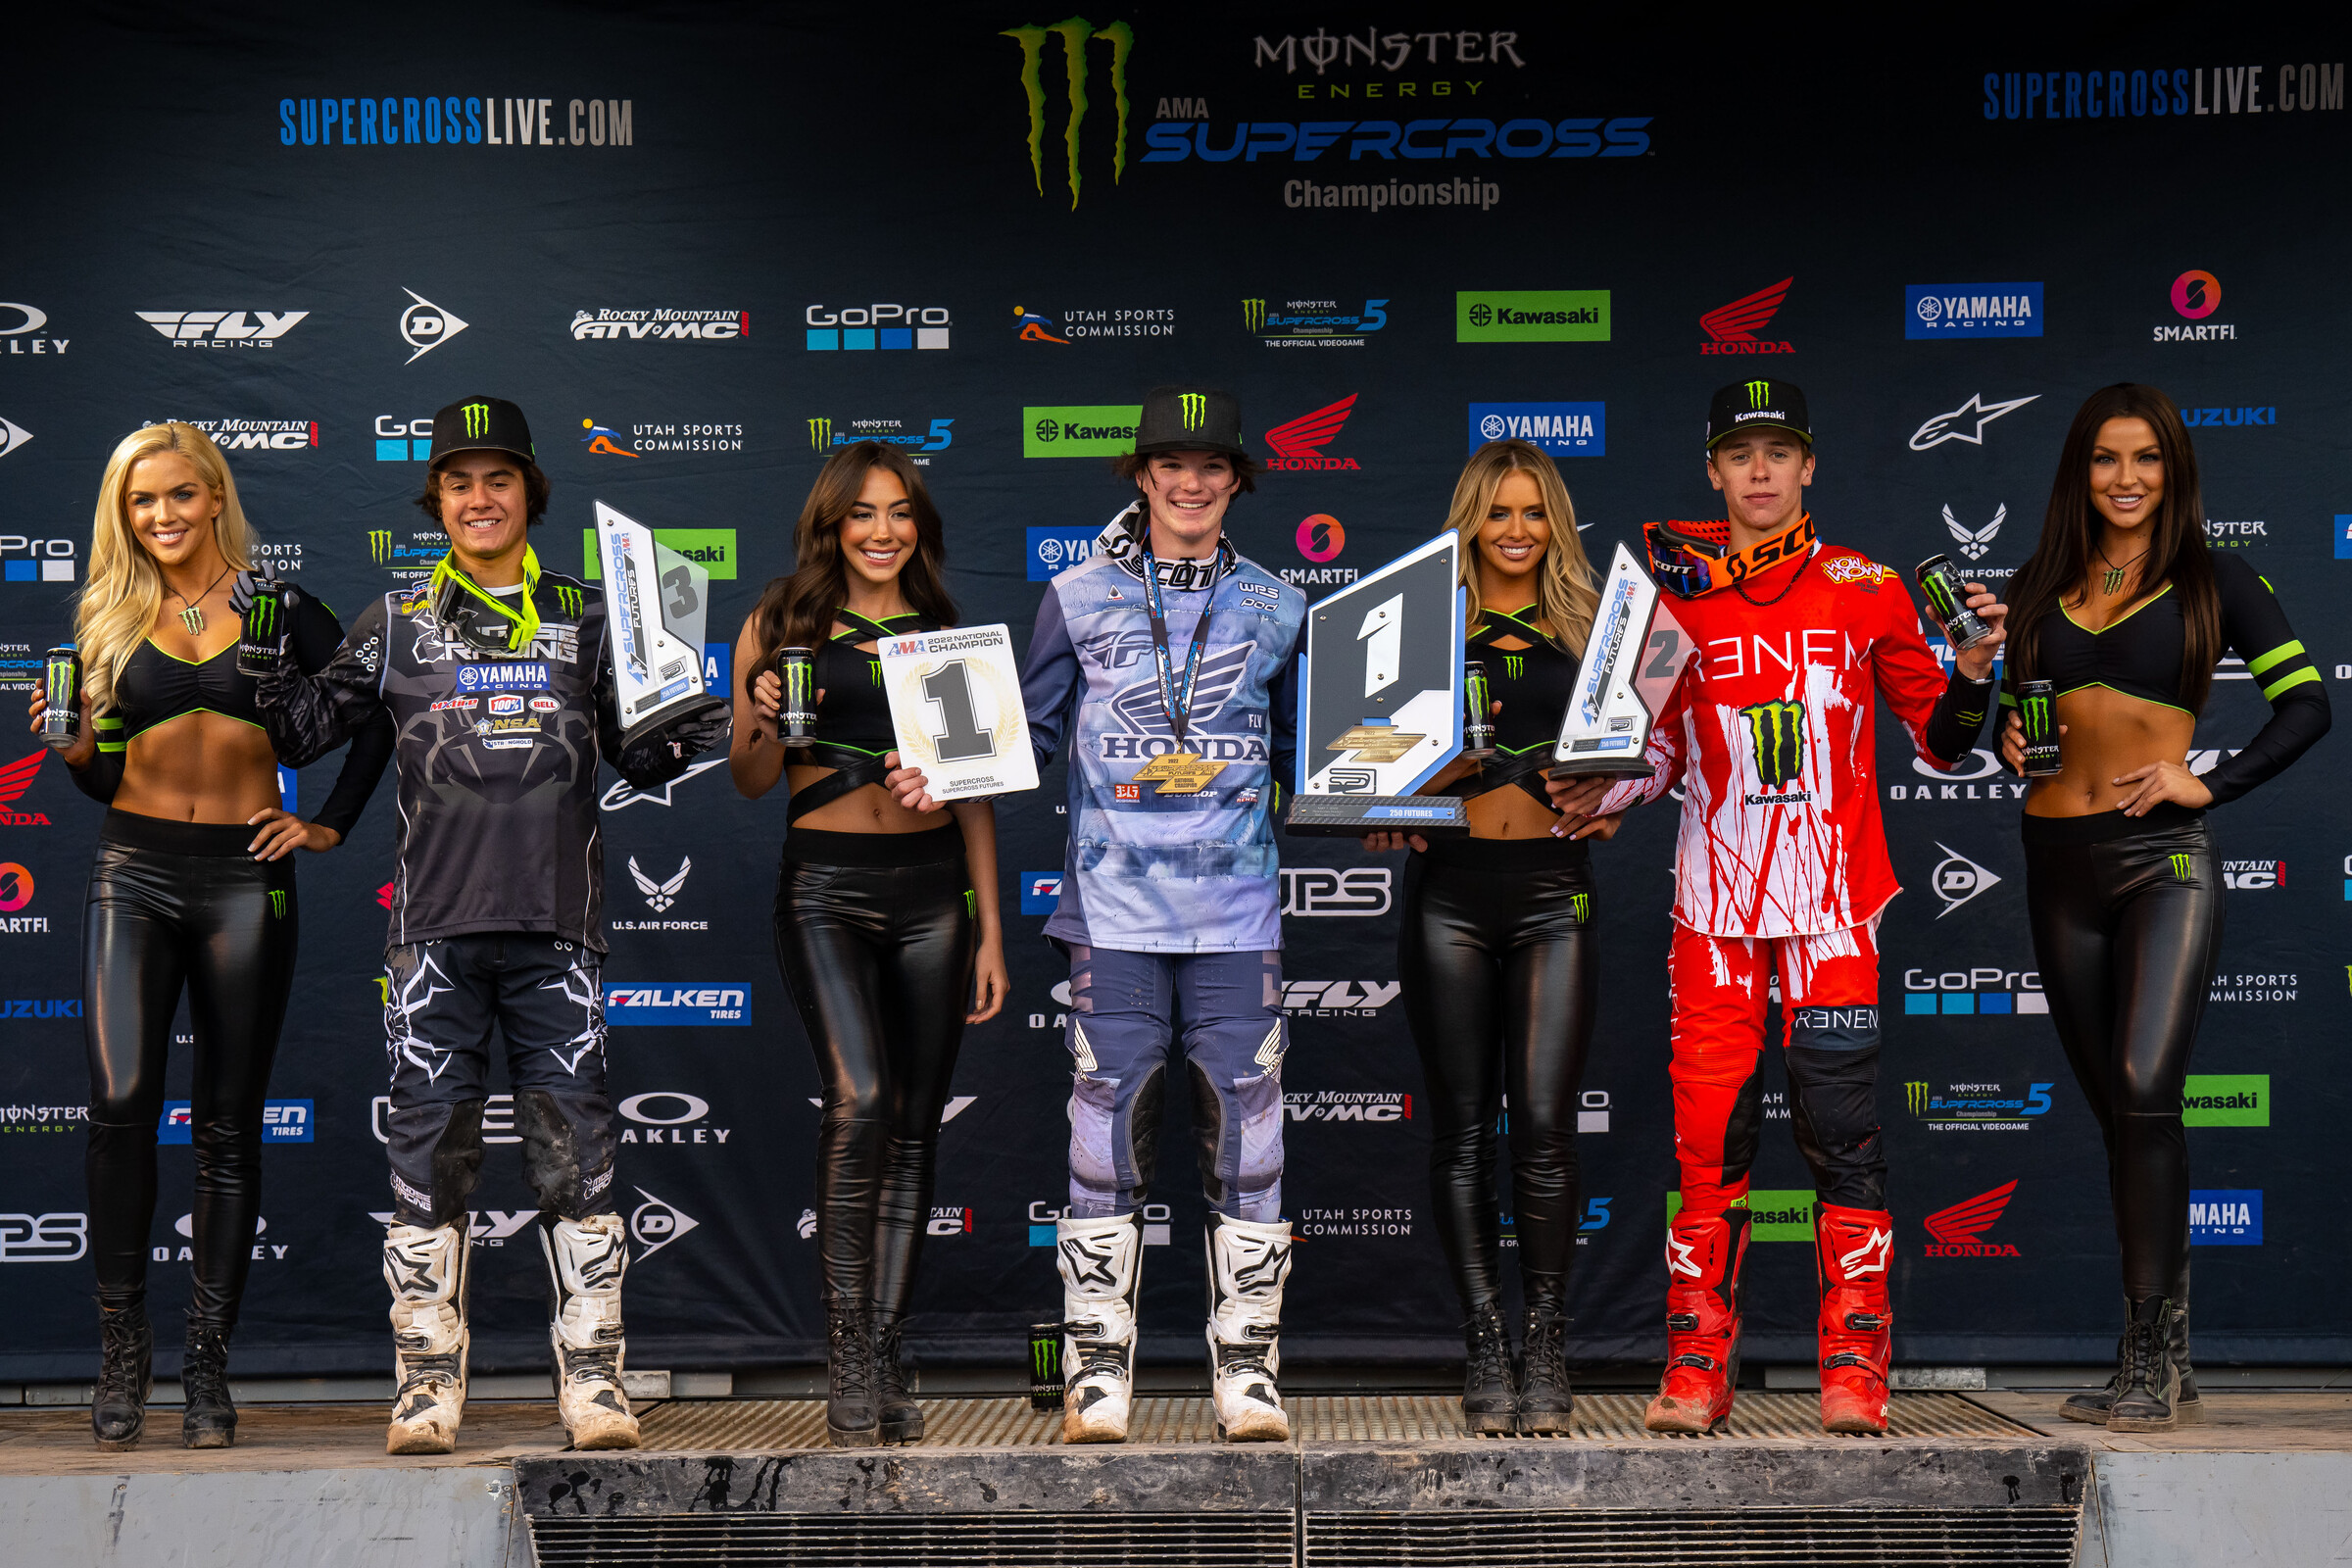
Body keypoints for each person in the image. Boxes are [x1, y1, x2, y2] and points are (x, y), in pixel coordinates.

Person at [253, 396, 723, 1456]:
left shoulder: (597, 612)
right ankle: (427, 1386)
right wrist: (266, 663)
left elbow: (641, 759)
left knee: (580, 1160)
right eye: (459, 481)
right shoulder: (393, 619)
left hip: (559, 931)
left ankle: (593, 1381)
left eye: (498, 478)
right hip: (434, 940)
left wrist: (687, 722)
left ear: (530, 492)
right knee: (430, 1162)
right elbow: (308, 729)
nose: (479, 496)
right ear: (437, 500)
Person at [1562, 378, 2006, 1436]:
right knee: (1705, 1144)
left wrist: (1976, 671)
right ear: (1712, 471)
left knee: (1844, 1136)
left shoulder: (1869, 585)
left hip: (1836, 910)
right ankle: (1695, 1369)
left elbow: (1943, 741)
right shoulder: (1671, 596)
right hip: (1713, 911)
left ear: (1810, 467)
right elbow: (1654, 750)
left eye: (1780, 452)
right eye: (1740, 454)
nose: (1760, 471)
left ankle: (1855, 1371)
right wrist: (1597, 789)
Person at [892, 385, 1307, 1445]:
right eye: (1171, 463)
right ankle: (1096, 1373)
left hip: (1236, 916)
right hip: (1112, 914)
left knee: (1249, 1140)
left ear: (1238, 481)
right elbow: (1017, 729)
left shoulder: (1278, 604)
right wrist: (939, 770)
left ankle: (1249, 1372)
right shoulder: (1075, 594)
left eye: (1212, 465)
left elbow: (1315, 762)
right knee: (1101, 1138)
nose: (1191, 481)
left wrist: (1390, 797)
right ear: (1139, 474)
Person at [27, 422, 391, 1450]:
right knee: (121, 1108)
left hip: (247, 879)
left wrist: (329, 824)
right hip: (131, 871)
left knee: (229, 1125)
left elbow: (373, 717)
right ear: (123, 512)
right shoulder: (107, 614)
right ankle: (124, 1353)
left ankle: (207, 1368)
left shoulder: (275, 608)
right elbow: (100, 777)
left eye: (181, 496)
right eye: (143, 502)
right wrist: (73, 753)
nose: (163, 517)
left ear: (216, 496)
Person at [1995, 383, 2327, 1432]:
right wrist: (2006, 732)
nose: (2126, 478)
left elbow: (2309, 700)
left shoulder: (2215, 577)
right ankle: (2164, 1345)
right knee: (2118, 1114)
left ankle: (2145, 1352)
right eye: (2105, 459)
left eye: (2146, 459)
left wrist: (2210, 783)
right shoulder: (2040, 579)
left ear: (2175, 470)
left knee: (2144, 1091)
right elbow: (2004, 720)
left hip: (2159, 862)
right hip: (2055, 860)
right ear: (2078, 472)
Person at [729, 442, 1007, 1446]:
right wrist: (760, 713)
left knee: (919, 1126)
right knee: (862, 1101)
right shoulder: (781, 619)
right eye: (863, 514)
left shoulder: (947, 632)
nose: (882, 531)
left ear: (918, 527)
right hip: (826, 891)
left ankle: (886, 1348)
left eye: (899, 513)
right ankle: (848, 1350)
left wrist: (989, 931)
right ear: (831, 524)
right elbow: (751, 781)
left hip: (935, 897)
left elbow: (973, 793)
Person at [1356, 440, 1612, 1435]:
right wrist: (1394, 793)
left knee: (1543, 1128)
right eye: (1497, 512)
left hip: (1556, 892)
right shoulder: (1418, 632)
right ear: (1469, 519)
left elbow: (1639, 757)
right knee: (1463, 1129)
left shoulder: (1592, 628)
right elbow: (1367, 762)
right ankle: (1486, 1343)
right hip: (1448, 895)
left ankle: (1546, 1340)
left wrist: (1619, 793)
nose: (1515, 531)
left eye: (1534, 513)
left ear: (1556, 524)